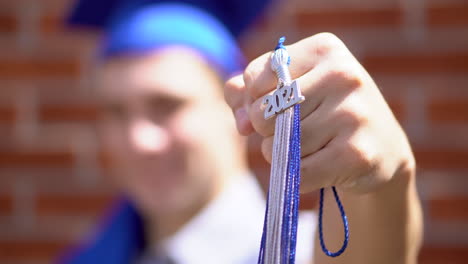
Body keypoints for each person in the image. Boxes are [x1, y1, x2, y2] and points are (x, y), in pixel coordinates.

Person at [61, 0, 423, 263]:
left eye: (167, 105)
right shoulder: (89, 256)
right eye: (116, 112)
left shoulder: (301, 248)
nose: (139, 141)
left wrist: (381, 181)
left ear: (235, 109)